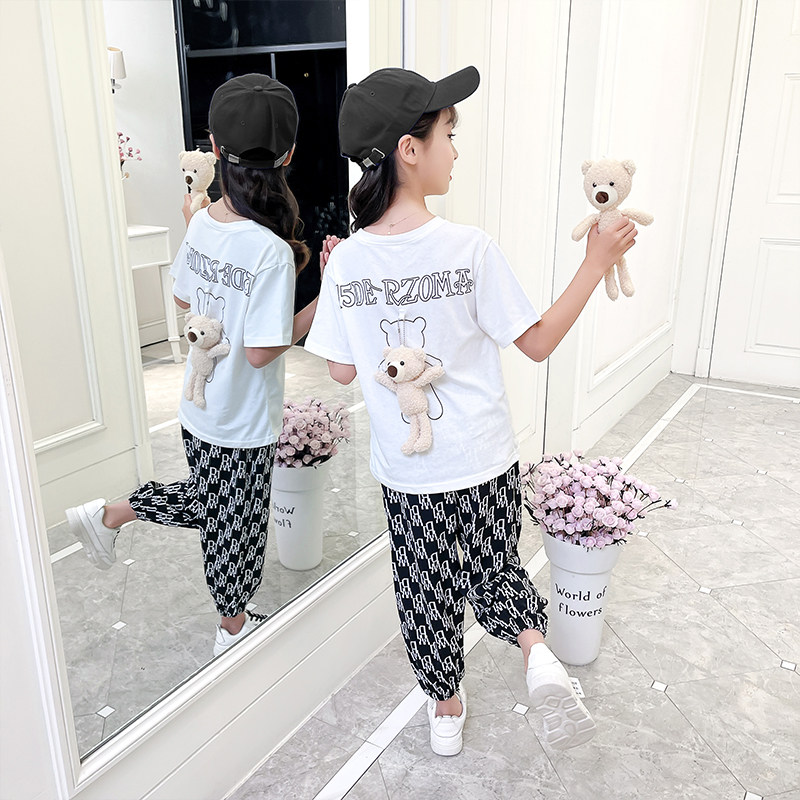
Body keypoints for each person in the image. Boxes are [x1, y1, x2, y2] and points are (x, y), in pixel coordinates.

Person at [304, 66, 638, 756]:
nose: (456, 149)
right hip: (483, 457)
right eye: (449, 134)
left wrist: (344, 283)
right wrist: (593, 261)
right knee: (495, 568)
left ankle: (446, 710)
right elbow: (537, 343)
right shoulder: (470, 248)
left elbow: (340, 370)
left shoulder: (349, 262)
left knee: (424, 591)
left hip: (408, 472)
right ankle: (538, 655)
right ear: (410, 149)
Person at [67, 74, 334, 656]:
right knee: (236, 526)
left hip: (199, 405)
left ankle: (112, 518)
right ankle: (230, 631)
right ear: (289, 153)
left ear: (214, 147)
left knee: (215, 507)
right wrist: (325, 297)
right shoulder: (269, 251)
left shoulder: (204, 220)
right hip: (241, 417)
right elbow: (262, 351)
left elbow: (182, 298)